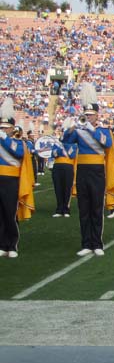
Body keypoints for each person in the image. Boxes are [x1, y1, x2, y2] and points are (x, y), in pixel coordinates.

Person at [61, 84, 114, 257]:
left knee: (96, 208)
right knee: (84, 208)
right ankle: (86, 243)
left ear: (97, 115)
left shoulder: (102, 130)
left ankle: (97, 243)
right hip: (82, 171)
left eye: (91, 115)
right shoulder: (79, 131)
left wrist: (91, 129)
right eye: (86, 115)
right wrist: (71, 128)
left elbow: (108, 144)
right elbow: (66, 141)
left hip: (97, 172)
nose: (88, 118)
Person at [0, 98, 35, 258]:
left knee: (10, 213)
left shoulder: (17, 142)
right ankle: (2, 244)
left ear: (12, 128)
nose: (4, 129)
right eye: (2, 127)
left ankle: (12, 245)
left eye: (6, 127)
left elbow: (18, 153)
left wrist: (5, 138)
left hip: (11, 181)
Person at [51, 121, 77, 218]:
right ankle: (59, 209)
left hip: (68, 167)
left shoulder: (73, 145)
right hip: (57, 167)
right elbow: (53, 154)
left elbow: (71, 155)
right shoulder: (57, 143)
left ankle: (66, 209)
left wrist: (61, 151)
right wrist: (61, 150)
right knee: (58, 188)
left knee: (67, 188)